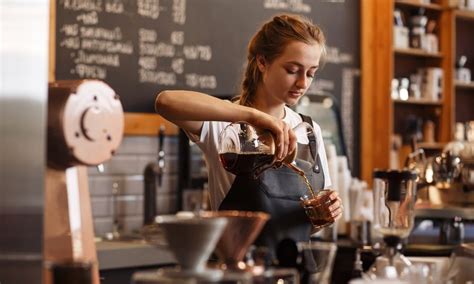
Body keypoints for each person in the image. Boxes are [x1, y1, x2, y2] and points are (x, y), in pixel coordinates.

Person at [155, 14, 343, 262]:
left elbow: (309, 223)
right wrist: (253, 117)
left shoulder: (309, 130)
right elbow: (166, 102)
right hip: (239, 269)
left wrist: (327, 213)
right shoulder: (226, 126)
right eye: (293, 70)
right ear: (263, 62)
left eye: (311, 73)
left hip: (295, 271)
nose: (302, 83)